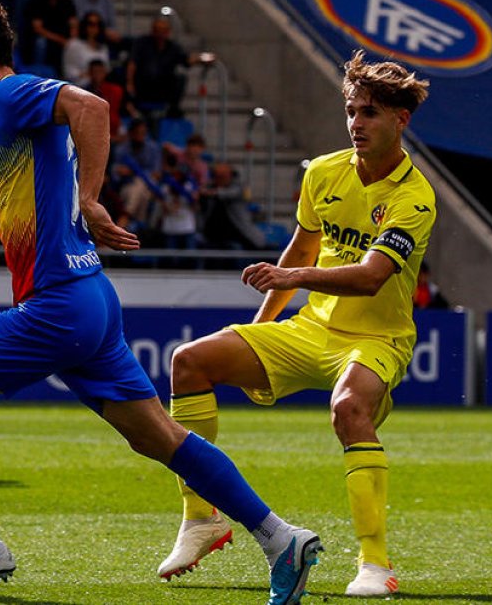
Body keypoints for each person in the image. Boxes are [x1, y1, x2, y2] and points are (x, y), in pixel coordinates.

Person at [0, 0, 321, 601]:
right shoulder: (1, 130)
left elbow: (92, 106)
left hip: (56, 307)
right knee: (159, 438)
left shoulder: (12, 95)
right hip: (89, 300)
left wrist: (91, 199)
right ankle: (281, 538)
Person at [161, 50, 433, 598]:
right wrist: (261, 330)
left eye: (371, 113)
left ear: (401, 120)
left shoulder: (415, 197)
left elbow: (369, 277)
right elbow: (299, 250)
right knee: (189, 362)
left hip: (377, 338)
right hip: (312, 330)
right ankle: (200, 519)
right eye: (353, 111)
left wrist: (295, 274)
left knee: (349, 409)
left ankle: (375, 566)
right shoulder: (325, 172)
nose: (357, 123)